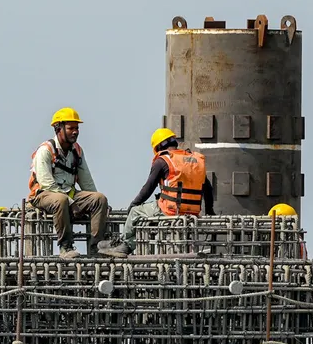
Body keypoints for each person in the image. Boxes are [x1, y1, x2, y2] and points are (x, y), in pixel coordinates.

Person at [98, 128, 214, 258]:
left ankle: (122, 244)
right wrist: (209, 210)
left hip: (169, 210)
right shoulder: (193, 161)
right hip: (192, 212)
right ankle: (126, 245)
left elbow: (149, 187)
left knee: (136, 212)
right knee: (150, 221)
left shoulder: (163, 160)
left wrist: (134, 204)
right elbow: (208, 188)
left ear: (158, 147)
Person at [27, 107, 108, 259]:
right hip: (43, 195)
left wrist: (95, 202)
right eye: (71, 128)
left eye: (77, 128)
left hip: (68, 194)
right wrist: (71, 201)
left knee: (99, 198)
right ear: (59, 128)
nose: (75, 132)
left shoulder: (77, 150)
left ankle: (96, 248)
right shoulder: (45, 150)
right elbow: (46, 184)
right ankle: (66, 247)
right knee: (60, 199)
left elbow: (86, 182)